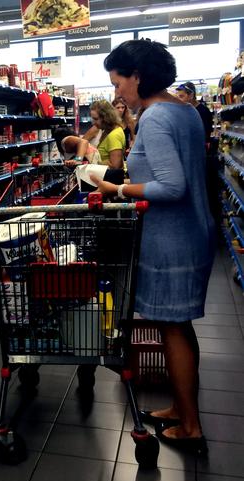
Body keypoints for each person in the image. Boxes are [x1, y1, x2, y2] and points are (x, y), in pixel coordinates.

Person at [93, 39, 214, 455]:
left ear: (138, 77)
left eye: (118, 82)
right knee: (177, 326)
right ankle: (182, 409)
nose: (117, 93)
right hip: (190, 233)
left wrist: (118, 187)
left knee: (173, 328)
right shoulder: (184, 110)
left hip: (171, 240)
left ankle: (191, 427)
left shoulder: (157, 117)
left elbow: (171, 185)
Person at [89, 99, 126, 169]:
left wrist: (93, 165)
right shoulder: (108, 131)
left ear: (106, 117)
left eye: (96, 119)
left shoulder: (114, 135)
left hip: (109, 178)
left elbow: (115, 166)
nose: (93, 122)